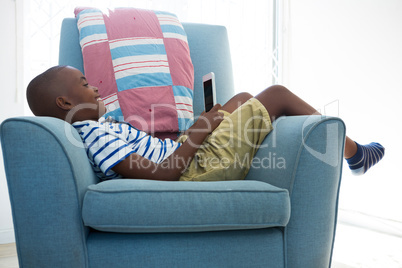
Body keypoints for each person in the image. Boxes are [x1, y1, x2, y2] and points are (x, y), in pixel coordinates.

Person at [26, 65, 385, 181]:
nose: (96, 88)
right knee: (276, 94)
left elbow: (154, 154)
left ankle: (351, 153)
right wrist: (198, 134)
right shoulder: (90, 134)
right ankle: (354, 154)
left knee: (243, 98)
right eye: (86, 85)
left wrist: (194, 129)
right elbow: (160, 176)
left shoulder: (96, 129)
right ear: (65, 103)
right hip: (192, 169)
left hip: (187, 153)